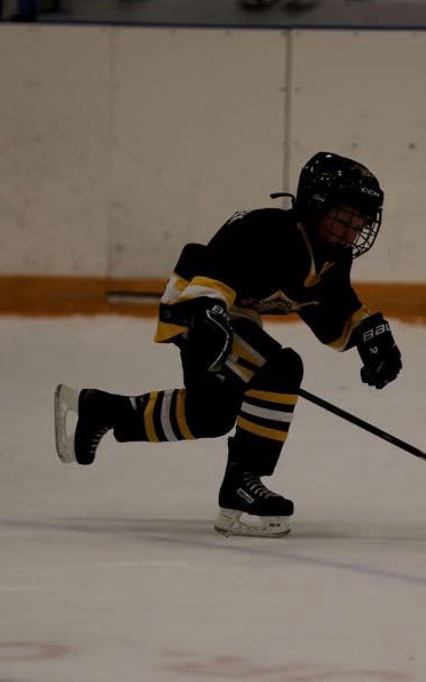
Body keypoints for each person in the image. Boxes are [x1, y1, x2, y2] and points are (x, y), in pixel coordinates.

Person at [54, 152, 403, 537]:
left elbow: (332, 309)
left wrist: (368, 334)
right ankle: (242, 484)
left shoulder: (332, 256)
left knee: (210, 415)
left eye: (359, 223)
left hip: (233, 313)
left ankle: (102, 410)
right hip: (197, 304)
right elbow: (214, 266)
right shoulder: (271, 231)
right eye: (343, 218)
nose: (351, 232)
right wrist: (208, 313)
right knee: (280, 369)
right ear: (315, 204)